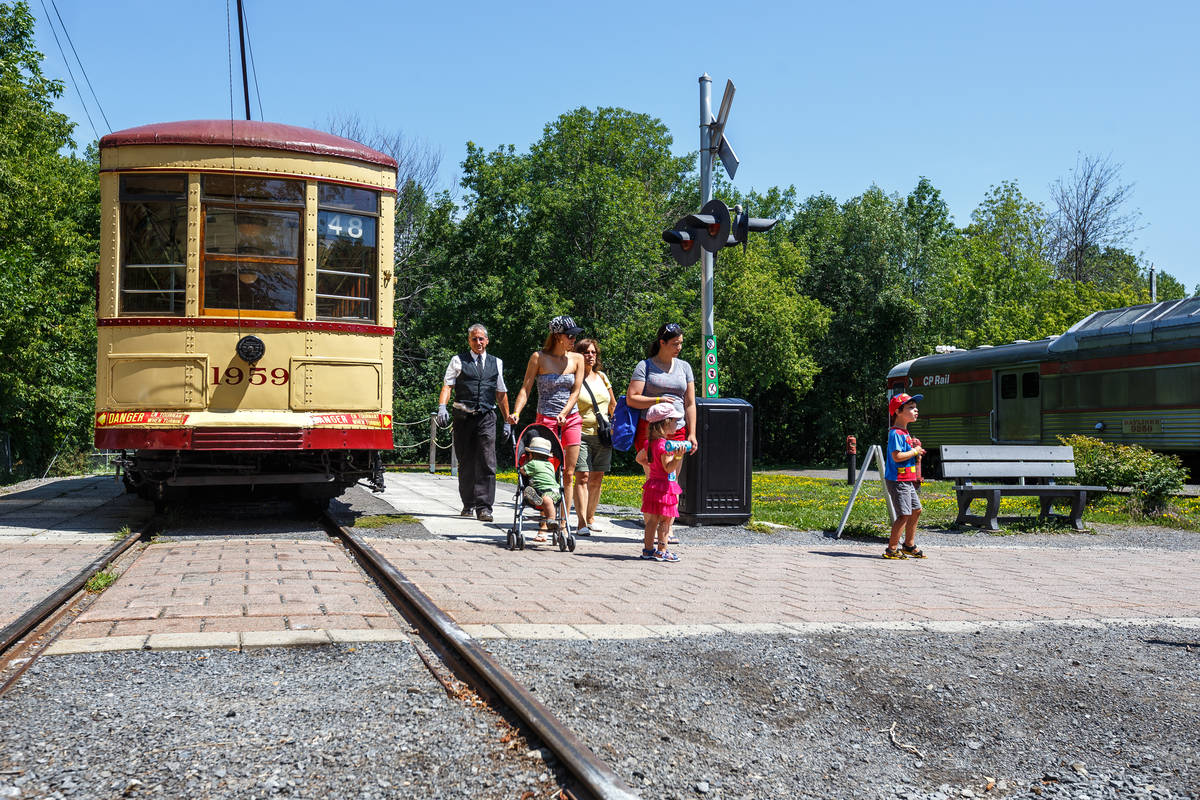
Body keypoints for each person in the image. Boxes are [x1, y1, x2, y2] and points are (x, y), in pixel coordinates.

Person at [509, 315, 586, 514]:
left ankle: (563, 522)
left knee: (569, 473)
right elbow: (526, 389)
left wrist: (565, 412)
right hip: (546, 420)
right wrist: (516, 412)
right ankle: (546, 521)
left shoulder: (577, 359)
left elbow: (576, 391)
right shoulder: (539, 358)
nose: (573, 340)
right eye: (570, 336)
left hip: (571, 419)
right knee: (546, 470)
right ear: (558, 336)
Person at [436, 324, 512, 522]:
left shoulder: (497, 363)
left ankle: (484, 508)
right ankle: (468, 504)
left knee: (487, 461)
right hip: (463, 418)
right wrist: (442, 407)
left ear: (487, 340)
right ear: (469, 341)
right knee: (466, 462)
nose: (478, 342)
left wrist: (508, 421)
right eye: (474, 339)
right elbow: (447, 386)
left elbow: (501, 393)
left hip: (486, 417)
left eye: (481, 339)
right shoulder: (458, 361)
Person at [626, 322, 699, 467]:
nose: (679, 348)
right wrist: (658, 400)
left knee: (673, 477)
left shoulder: (685, 367)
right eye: (675, 344)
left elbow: (690, 403)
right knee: (654, 474)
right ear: (662, 343)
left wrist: (692, 433)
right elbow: (632, 399)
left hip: (677, 427)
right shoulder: (645, 366)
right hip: (651, 430)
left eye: (680, 343)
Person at [572, 338, 616, 536]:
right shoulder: (573, 377)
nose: (590, 356)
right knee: (582, 476)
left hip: (603, 433)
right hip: (580, 432)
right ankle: (581, 522)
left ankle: (590, 517)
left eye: (593, 352)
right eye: (585, 352)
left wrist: (615, 426)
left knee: (597, 477)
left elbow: (613, 404)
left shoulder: (603, 377)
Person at [640, 403, 691, 562]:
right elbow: (669, 469)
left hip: (653, 486)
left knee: (652, 521)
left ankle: (648, 550)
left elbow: (639, 458)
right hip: (664, 488)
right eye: (675, 421)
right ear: (666, 423)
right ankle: (662, 550)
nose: (677, 424)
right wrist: (678, 456)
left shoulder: (650, 443)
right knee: (665, 521)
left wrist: (650, 465)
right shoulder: (665, 446)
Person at [883, 392, 927, 560]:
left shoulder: (906, 433)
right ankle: (892, 549)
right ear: (898, 412)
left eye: (916, 408)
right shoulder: (895, 433)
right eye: (911, 408)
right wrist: (914, 451)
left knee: (916, 510)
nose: (916, 411)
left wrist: (917, 454)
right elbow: (897, 456)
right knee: (904, 514)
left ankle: (909, 545)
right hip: (897, 480)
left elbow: (907, 455)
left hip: (907, 480)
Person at [520, 436, 562, 542]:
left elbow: (523, 471)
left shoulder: (532, 464)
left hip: (545, 491)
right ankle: (540, 502)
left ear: (531, 454)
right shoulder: (550, 465)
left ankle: (551, 520)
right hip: (555, 491)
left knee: (545, 499)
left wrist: (523, 465)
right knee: (547, 499)